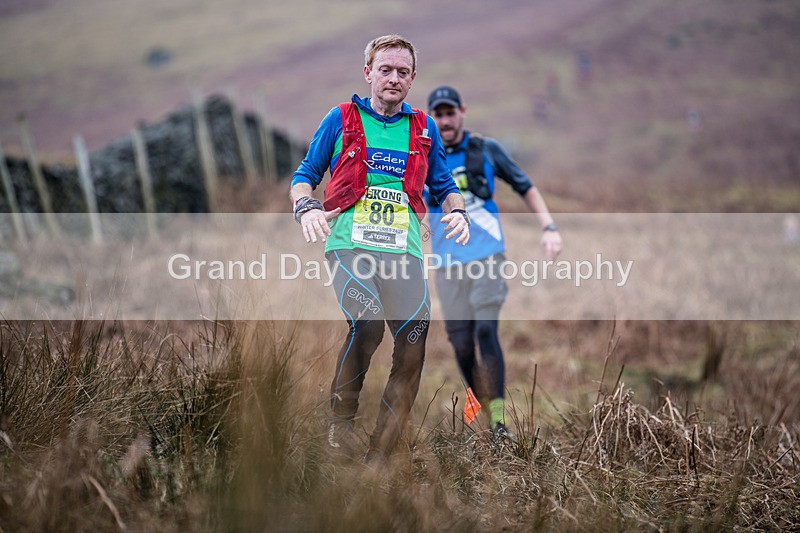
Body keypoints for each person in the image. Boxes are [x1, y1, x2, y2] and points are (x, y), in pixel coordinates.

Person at [289, 36, 470, 462]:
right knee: (367, 324)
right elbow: (304, 175)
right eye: (385, 69)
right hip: (350, 246)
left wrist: (457, 212)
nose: (393, 78)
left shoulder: (423, 128)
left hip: (403, 251)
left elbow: (445, 186)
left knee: (413, 340)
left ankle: (382, 451)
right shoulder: (341, 118)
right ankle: (340, 426)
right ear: (368, 72)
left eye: (402, 72)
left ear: (412, 79)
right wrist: (306, 206)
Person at [425, 85, 563, 439]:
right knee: (460, 345)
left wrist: (548, 226)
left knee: (485, 330)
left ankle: (499, 421)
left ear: (462, 112)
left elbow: (525, 186)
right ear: (430, 118)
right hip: (446, 264)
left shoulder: (486, 149)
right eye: (438, 115)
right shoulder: (423, 156)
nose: (445, 120)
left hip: (487, 257)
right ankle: (483, 409)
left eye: (450, 113)